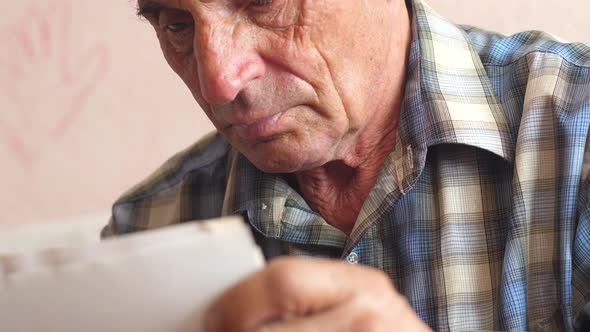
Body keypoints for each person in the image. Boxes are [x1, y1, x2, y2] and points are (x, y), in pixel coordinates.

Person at [101, 0, 590, 330]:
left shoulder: (580, 130)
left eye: (265, 1)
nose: (220, 83)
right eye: (177, 24)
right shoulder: (146, 233)